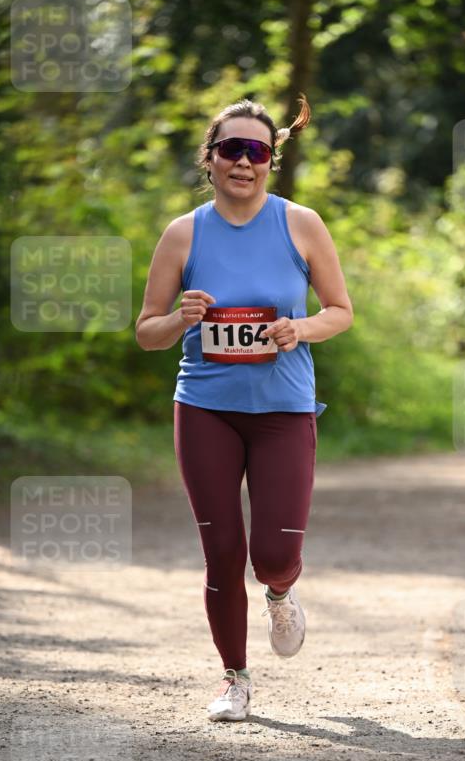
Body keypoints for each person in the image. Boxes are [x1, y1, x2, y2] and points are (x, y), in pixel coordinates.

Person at [135, 93, 353, 721]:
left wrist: (299, 329)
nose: (243, 162)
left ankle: (281, 593)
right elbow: (147, 330)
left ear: (270, 160)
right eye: (230, 149)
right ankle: (235, 680)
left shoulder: (301, 224)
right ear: (210, 158)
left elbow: (340, 311)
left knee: (273, 556)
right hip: (205, 409)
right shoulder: (183, 233)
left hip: (284, 410)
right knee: (223, 553)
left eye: (256, 150)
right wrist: (182, 317)